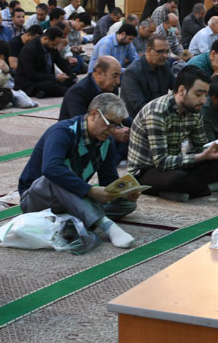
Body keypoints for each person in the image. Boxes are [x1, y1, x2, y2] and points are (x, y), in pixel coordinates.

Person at [127, 66, 218, 200]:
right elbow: (161, 162)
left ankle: (182, 190)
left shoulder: (194, 111)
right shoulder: (157, 113)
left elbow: (201, 146)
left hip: (176, 164)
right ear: (182, 90)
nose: (203, 100)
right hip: (147, 170)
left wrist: (213, 151)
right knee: (177, 178)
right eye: (198, 94)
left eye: (206, 94)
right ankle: (207, 188)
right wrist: (200, 156)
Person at [18, 93, 137, 247]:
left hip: (72, 197)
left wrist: (123, 192)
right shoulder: (62, 132)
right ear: (94, 114)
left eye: (117, 125)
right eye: (110, 123)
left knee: (127, 204)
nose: (112, 129)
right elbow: (50, 168)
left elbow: (108, 179)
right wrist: (89, 191)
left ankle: (69, 221)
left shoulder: (106, 142)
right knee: (56, 175)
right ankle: (106, 224)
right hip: (38, 199)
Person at [121, 34, 177, 121]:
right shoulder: (132, 72)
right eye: (161, 51)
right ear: (149, 50)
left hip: (160, 114)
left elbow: (177, 87)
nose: (165, 55)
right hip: (138, 120)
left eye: (167, 51)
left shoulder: (165, 66)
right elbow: (139, 106)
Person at [14, 26, 74, 99]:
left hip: (46, 78)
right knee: (61, 89)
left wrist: (71, 76)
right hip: (29, 82)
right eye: (54, 45)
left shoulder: (51, 46)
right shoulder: (30, 50)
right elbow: (32, 76)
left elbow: (61, 62)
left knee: (69, 82)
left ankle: (42, 92)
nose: (55, 48)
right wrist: (55, 77)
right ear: (46, 39)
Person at [60, 54, 122, 120]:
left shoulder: (111, 88)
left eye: (119, 76)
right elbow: (82, 123)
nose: (118, 81)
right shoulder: (77, 93)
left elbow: (119, 115)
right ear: (99, 73)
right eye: (114, 76)